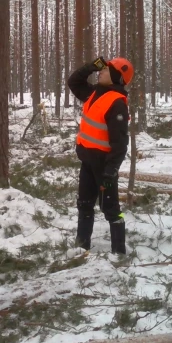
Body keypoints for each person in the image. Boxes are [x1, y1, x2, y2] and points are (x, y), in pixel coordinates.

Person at [67, 57, 134, 255]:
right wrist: (91, 65)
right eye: (102, 69)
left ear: (116, 77)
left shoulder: (117, 104)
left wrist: (110, 171)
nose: (101, 72)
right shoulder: (94, 93)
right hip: (87, 162)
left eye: (106, 70)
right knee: (85, 205)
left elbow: (120, 144)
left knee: (111, 209)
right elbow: (74, 82)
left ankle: (119, 253)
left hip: (104, 166)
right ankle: (82, 247)